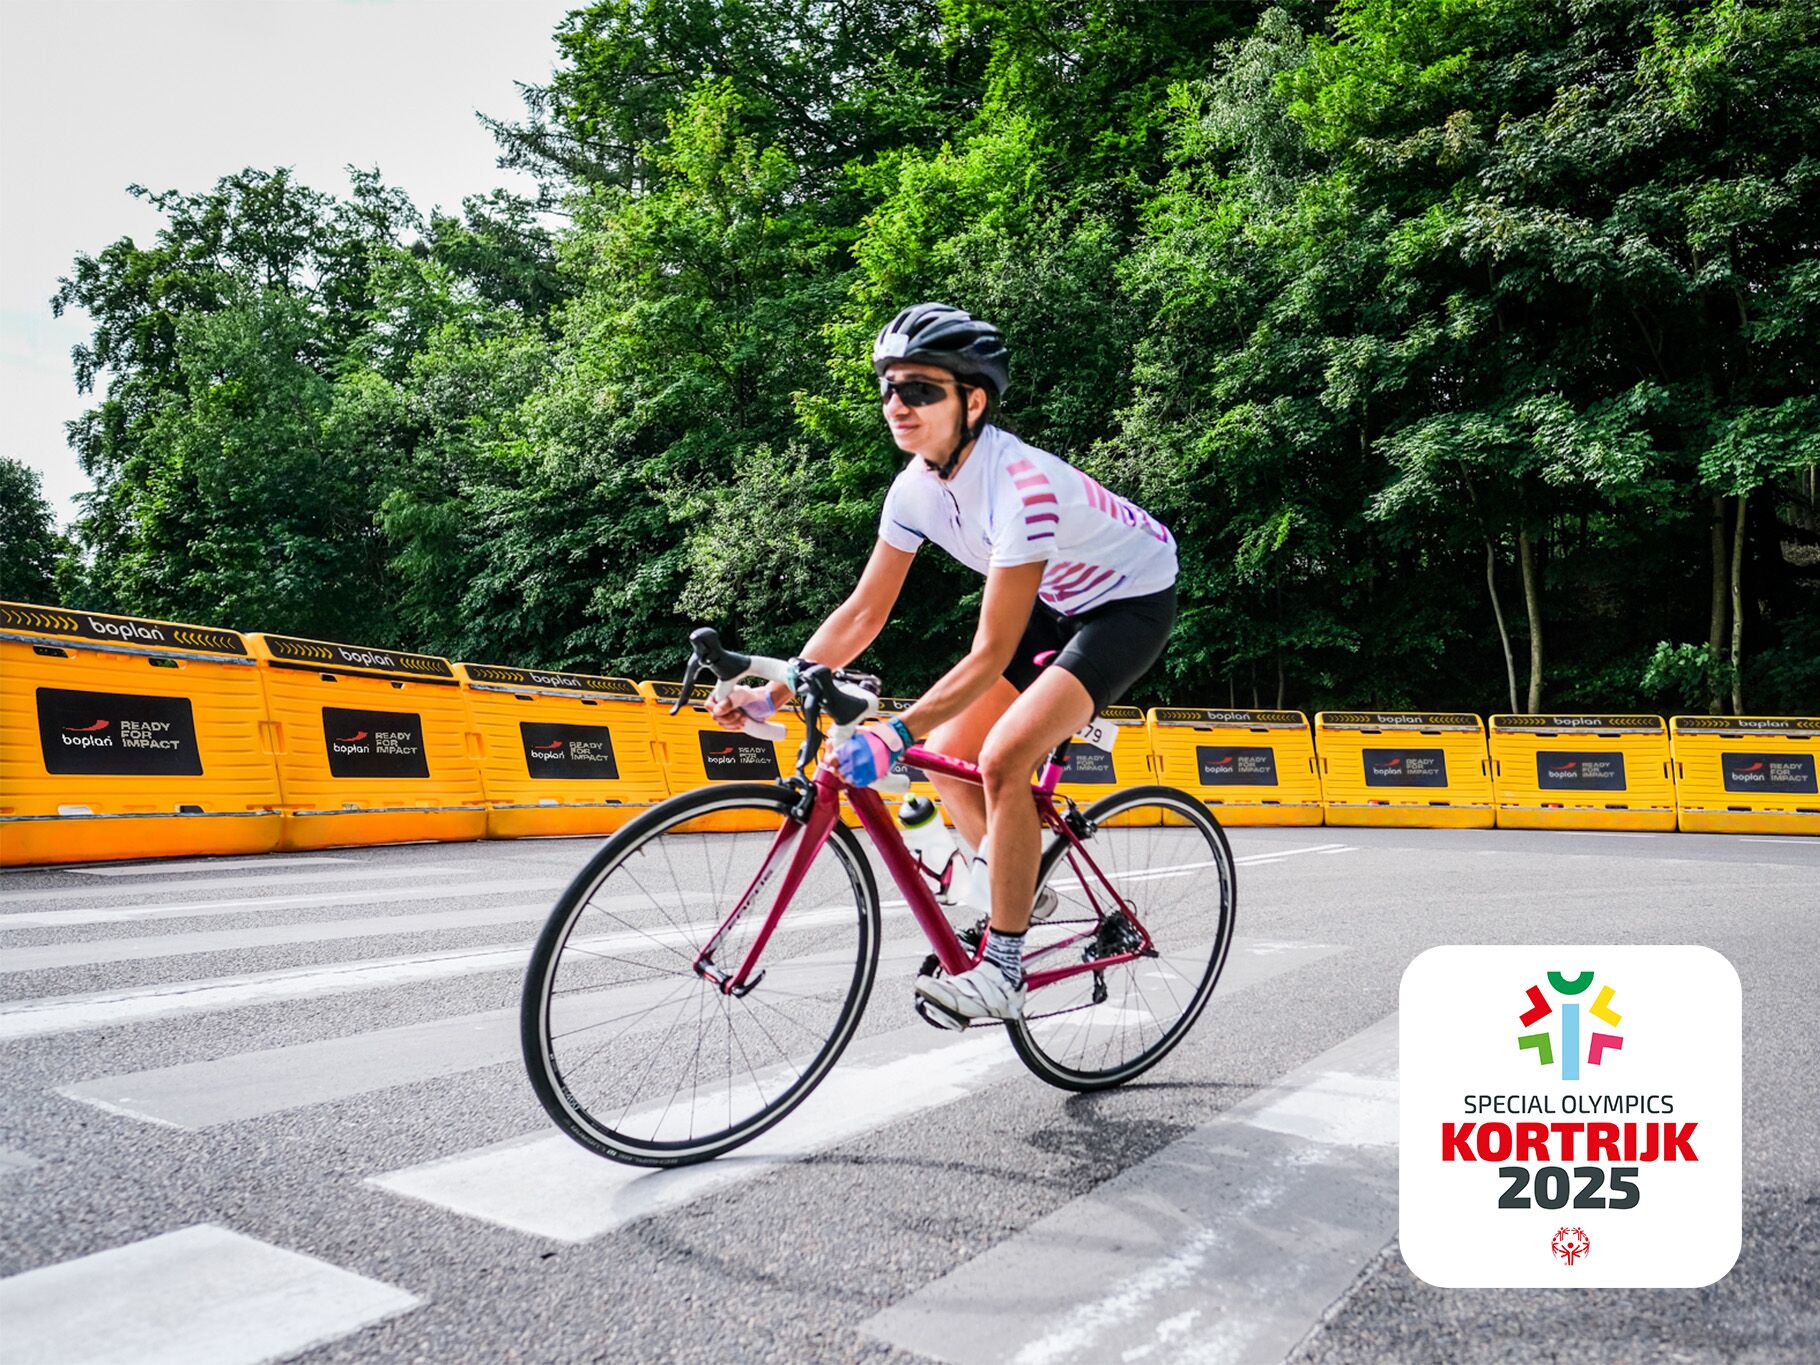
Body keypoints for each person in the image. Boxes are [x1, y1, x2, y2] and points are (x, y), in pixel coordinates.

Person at [709, 301, 1177, 1024]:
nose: (898, 403)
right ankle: (1017, 884)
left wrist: (891, 732)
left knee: (1002, 757)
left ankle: (1005, 971)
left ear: (973, 399)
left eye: (921, 388)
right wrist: (772, 692)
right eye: (889, 387)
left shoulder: (1021, 486)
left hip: (1128, 605)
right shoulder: (915, 488)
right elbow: (864, 613)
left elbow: (990, 653)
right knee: (938, 757)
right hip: (1055, 597)